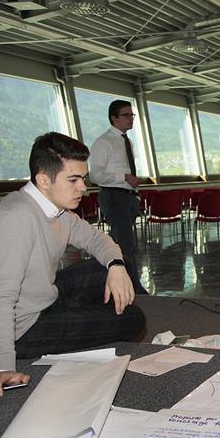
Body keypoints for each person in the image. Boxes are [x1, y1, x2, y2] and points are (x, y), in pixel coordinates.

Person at [0, 132, 146, 397]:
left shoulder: (54, 209)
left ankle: (85, 312)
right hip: (23, 328)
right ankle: (86, 316)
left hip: (42, 296)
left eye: (83, 178)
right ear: (43, 179)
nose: (83, 187)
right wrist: (3, 367)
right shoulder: (14, 220)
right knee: (133, 319)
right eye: (73, 180)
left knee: (120, 265)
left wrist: (116, 266)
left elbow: (96, 238)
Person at [90, 99, 145, 293]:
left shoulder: (126, 141)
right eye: (126, 115)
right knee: (125, 245)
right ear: (113, 118)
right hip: (114, 196)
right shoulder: (104, 142)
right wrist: (124, 177)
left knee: (121, 244)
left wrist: (134, 195)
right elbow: (95, 175)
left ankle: (111, 284)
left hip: (127, 197)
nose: (131, 119)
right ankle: (133, 287)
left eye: (132, 115)